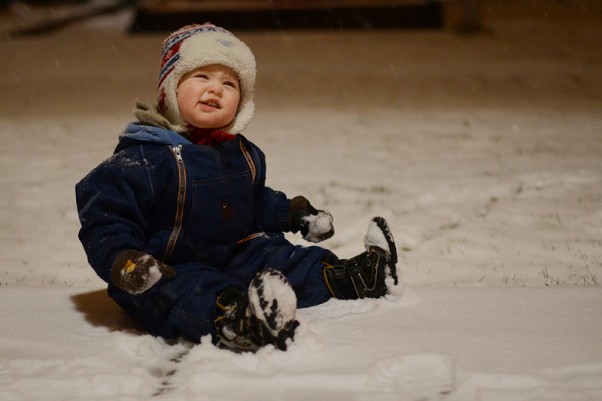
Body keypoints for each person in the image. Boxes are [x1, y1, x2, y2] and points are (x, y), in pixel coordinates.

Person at [75, 23, 399, 352]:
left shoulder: (242, 154)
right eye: (201, 77)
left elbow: (253, 202)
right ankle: (235, 317)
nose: (215, 90)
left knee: (282, 259)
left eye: (229, 83)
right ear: (169, 89)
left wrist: (292, 214)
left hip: (234, 253)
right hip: (165, 269)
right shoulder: (143, 158)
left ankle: (348, 275)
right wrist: (124, 261)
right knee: (186, 291)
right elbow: (105, 218)